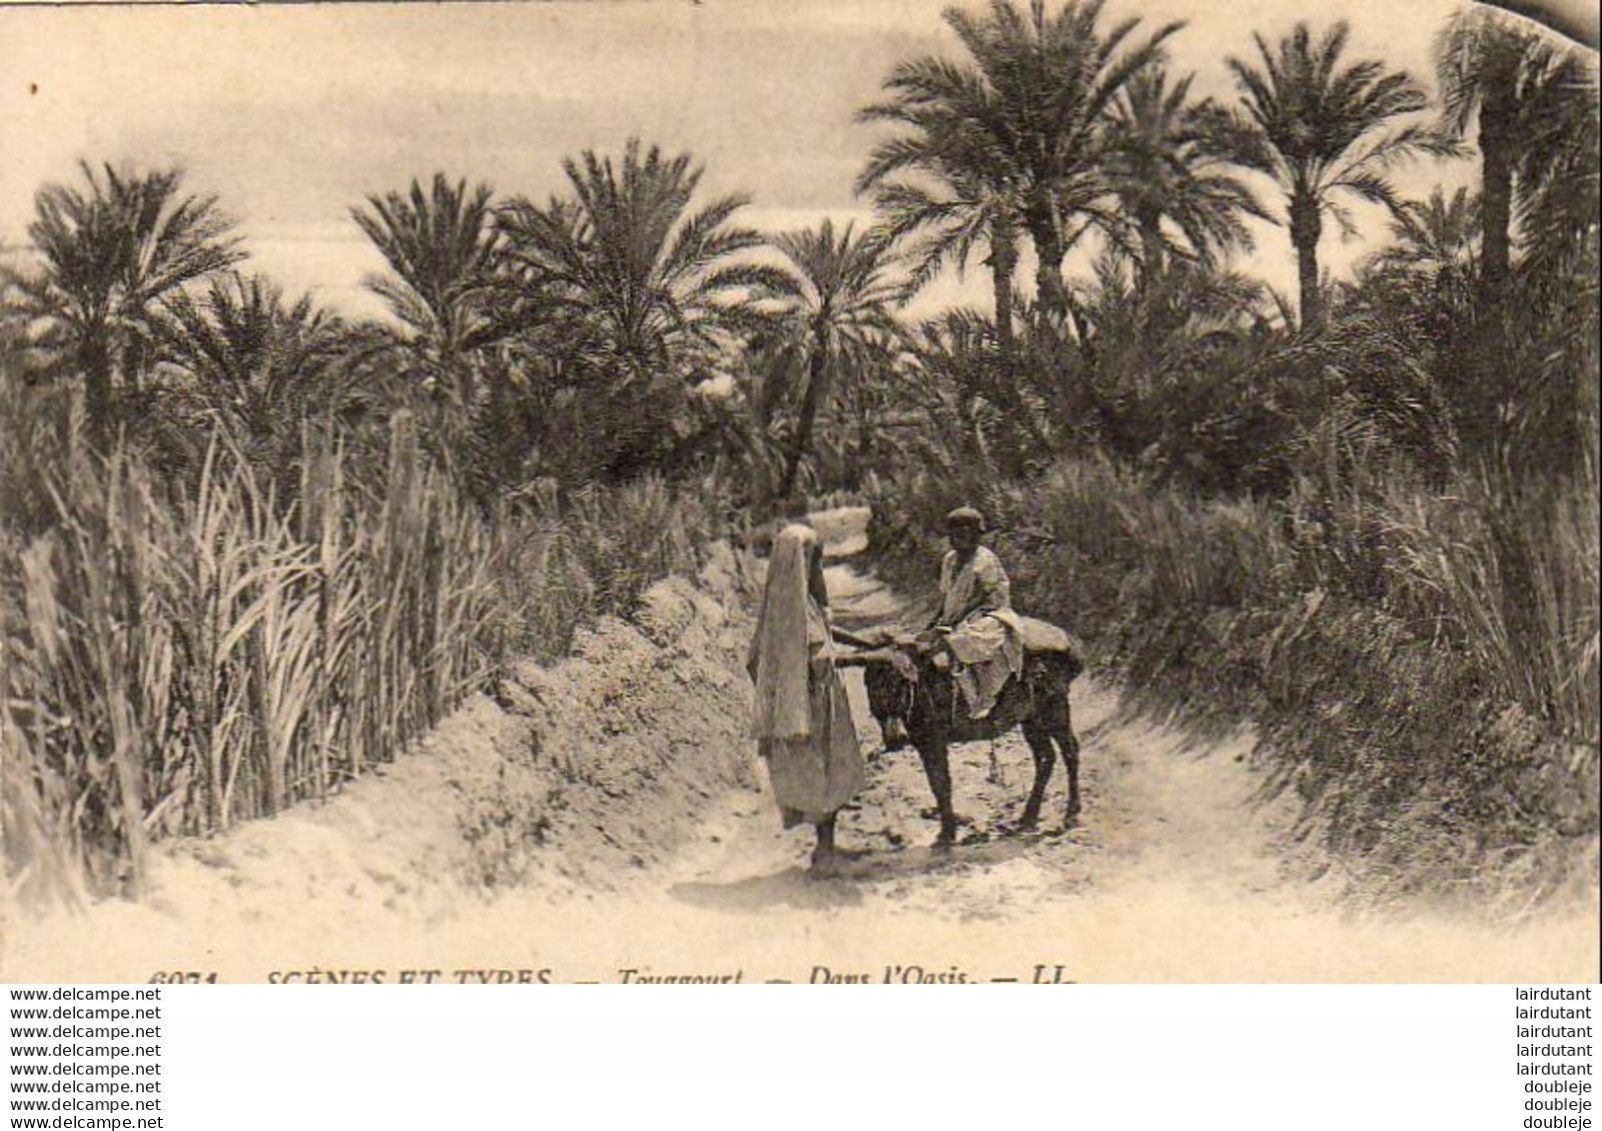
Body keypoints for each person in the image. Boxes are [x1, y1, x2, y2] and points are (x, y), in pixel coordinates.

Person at [747, 523, 865, 874]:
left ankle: (825, 847)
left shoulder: (790, 605)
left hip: (802, 704)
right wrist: (865, 657)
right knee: (822, 772)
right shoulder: (793, 611)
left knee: (822, 774)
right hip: (812, 708)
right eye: (814, 559)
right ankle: (824, 853)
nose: (818, 566)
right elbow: (819, 659)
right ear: (802, 561)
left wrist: (867, 642)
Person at [927, 506, 1024, 720]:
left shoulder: (984, 560)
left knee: (965, 639)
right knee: (927, 642)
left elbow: (978, 598)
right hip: (957, 613)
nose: (957, 540)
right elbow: (946, 596)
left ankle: (984, 695)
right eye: (953, 535)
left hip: (990, 612)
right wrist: (933, 623)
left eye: (963, 535)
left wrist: (951, 623)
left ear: (975, 536)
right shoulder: (950, 560)